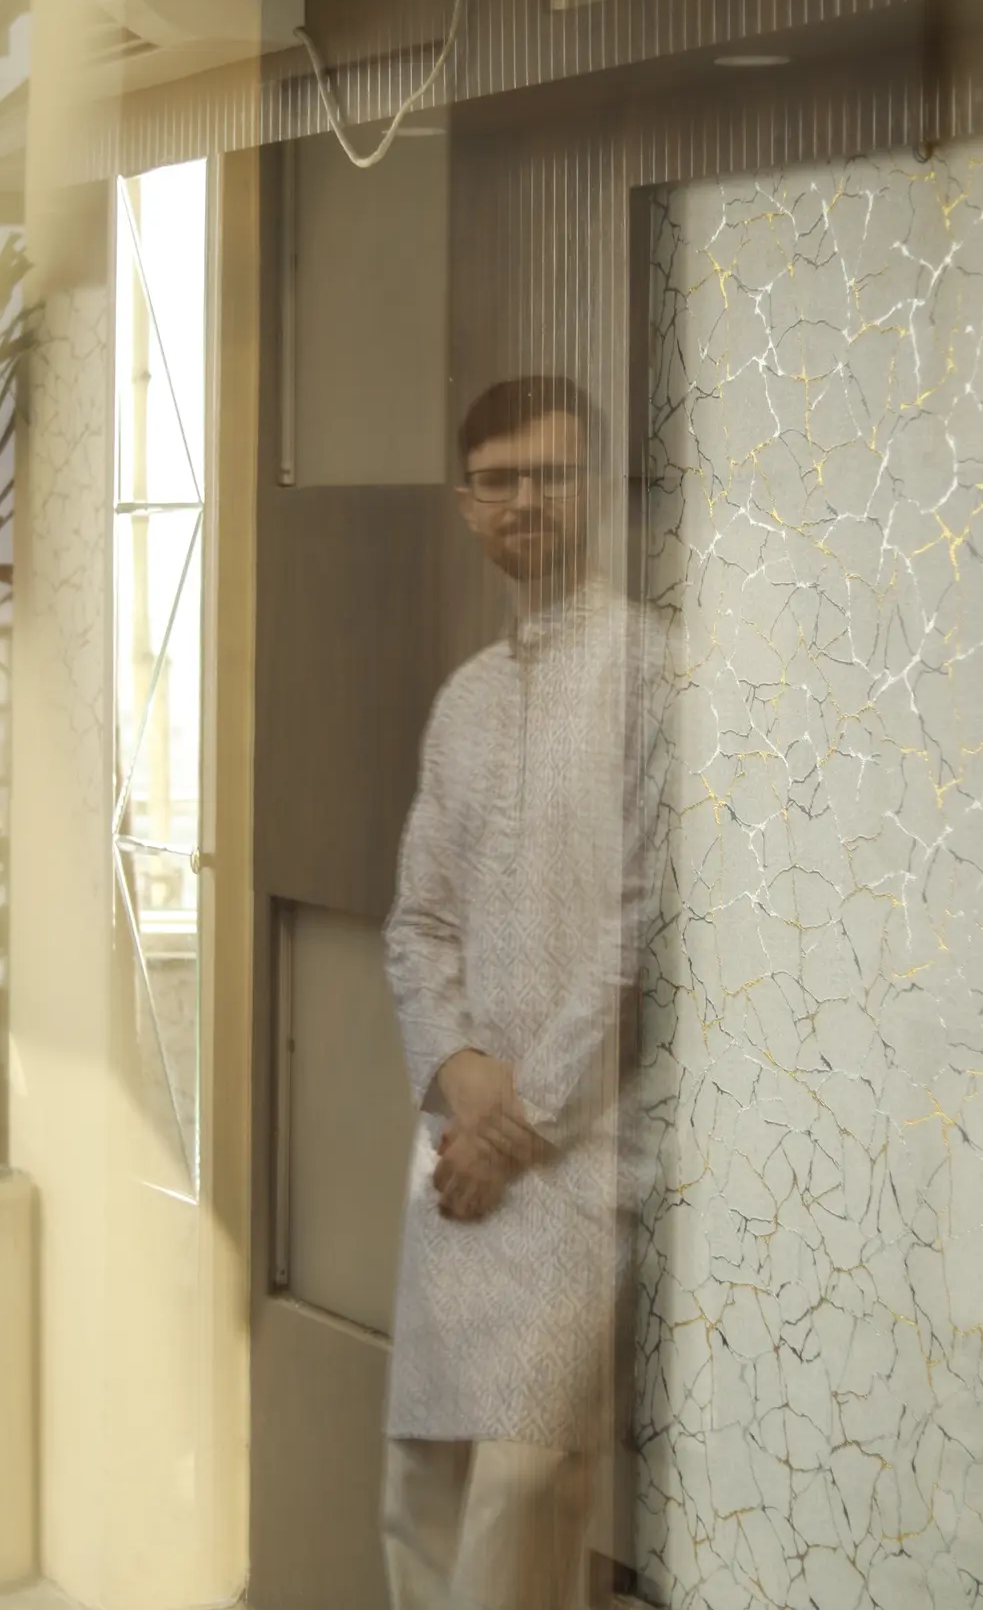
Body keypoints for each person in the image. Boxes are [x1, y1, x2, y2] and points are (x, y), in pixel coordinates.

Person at [383, 376, 668, 1610]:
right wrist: (457, 1078)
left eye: (550, 475)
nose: (524, 501)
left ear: (595, 489)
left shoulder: (656, 671)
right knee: (422, 1487)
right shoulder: (465, 700)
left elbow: (646, 932)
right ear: (466, 505)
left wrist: (520, 1122)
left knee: (520, 1491)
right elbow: (418, 923)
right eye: (498, 481)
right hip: (459, 1150)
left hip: (582, 1153)